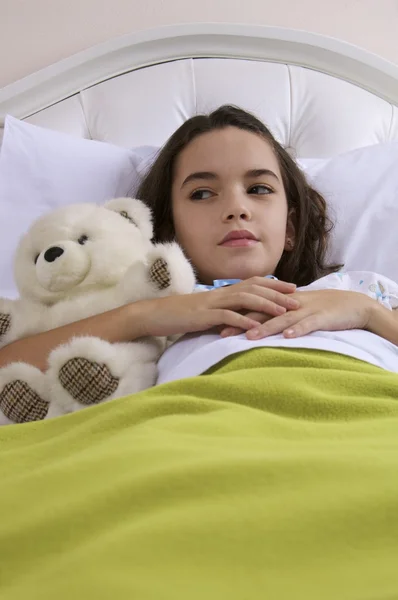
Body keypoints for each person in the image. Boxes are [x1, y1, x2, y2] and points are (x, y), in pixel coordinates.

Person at [2, 105, 398, 600]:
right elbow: (10, 365)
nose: (236, 208)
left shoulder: (361, 289)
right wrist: (152, 316)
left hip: (366, 425)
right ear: (169, 230)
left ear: (291, 226)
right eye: (203, 193)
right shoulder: (158, 313)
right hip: (193, 438)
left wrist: (365, 313)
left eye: (258, 188)